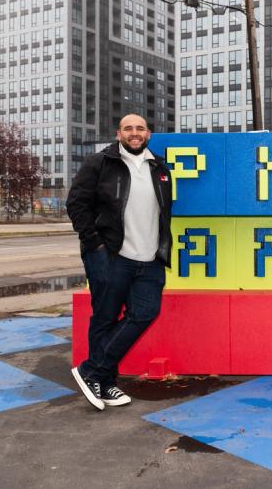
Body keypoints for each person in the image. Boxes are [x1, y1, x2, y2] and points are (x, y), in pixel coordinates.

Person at [66, 114, 172, 410]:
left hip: (150, 258)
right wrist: (95, 244)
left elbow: (163, 213)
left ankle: (92, 371)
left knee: (145, 312)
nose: (134, 133)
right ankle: (106, 382)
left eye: (140, 129)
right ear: (119, 133)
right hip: (111, 255)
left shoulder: (159, 168)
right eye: (129, 129)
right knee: (105, 317)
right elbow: (77, 204)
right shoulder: (100, 163)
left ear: (148, 134)